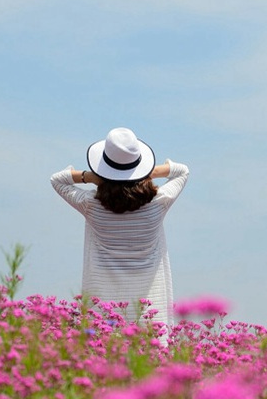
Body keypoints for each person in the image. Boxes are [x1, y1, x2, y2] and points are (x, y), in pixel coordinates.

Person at [50, 127, 189, 330]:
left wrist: (91, 177)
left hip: (104, 313)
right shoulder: (159, 203)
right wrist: (147, 173)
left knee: (103, 358)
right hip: (150, 311)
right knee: (153, 360)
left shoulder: (91, 205)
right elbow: (182, 171)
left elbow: (57, 179)